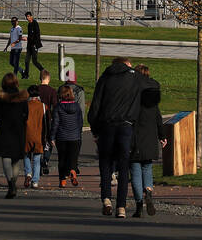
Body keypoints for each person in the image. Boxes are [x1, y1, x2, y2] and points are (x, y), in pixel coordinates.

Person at [87, 56, 145, 218]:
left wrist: (95, 129)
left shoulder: (105, 78)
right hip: (126, 126)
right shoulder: (133, 79)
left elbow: (96, 106)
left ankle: (106, 199)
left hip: (107, 125)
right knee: (123, 166)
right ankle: (121, 206)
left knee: (105, 164)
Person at [128, 64, 166, 216]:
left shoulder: (132, 95)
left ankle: (138, 204)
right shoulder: (153, 98)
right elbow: (158, 117)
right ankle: (149, 190)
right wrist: (162, 136)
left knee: (135, 172)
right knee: (147, 168)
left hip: (135, 139)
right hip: (150, 138)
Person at [0, 73, 29, 199]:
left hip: (4, 129)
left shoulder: (0, 97)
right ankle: (13, 182)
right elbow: (26, 114)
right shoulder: (23, 97)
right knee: (16, 158)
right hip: (18, 130)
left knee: (6, 157)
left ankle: (10, 184)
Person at [50, 83, 83, 187]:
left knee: (62, 158)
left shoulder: (58, 107)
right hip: (75, 136)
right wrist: (78, 132)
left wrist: (52, 137)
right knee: (73, 157)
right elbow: (80, 121)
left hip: (62, 136)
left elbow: (55, 122)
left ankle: (62, 180)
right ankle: (72, 170)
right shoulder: (77, 106)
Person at [23, 84, 49, 188]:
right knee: (37, 159)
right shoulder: (43, 106)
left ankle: (28, 173)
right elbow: (47, 122)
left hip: (26, 134)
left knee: (26, 155)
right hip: (39, 135)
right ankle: (35, 181)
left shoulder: (25, 106)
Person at [21, 10, 46, 78]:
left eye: (28, 16)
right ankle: (26, 75)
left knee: (34, 61)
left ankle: (43, 71)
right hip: (29, 46)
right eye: (26, 17)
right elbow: (30, 35)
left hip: (34, 45)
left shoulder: (35, 23)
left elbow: (37, 35)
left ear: (31, 16)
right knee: (26, 61)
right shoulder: (29, 24)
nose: (27, 18)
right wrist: (27, 39)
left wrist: (34, 44)